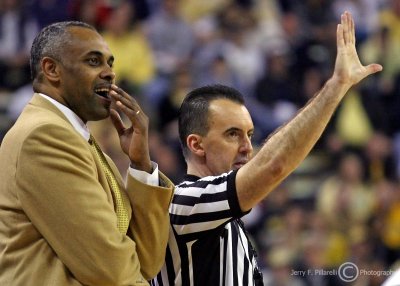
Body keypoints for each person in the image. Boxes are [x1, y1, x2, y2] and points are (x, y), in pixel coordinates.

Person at [151, 11, 382, 286]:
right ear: (196, 144)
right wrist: (336, 86)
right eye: (232, 134)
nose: (247, 147)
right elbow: (274, 165)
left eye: (249, 134)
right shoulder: (185, 202)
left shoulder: (223, 215)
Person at [0, 21, 174, 285]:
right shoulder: (45, 136)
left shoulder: (74, 135)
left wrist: (140, 164)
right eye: (94, 62)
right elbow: (112, 272)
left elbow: (146, 262)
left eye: (110, 63)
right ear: (52, 69)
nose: (109, 73)